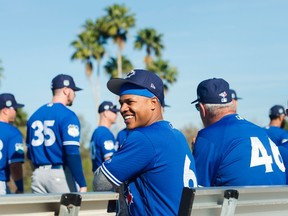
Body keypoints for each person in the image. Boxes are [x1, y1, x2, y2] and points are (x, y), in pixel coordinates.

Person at [93, 69, 197, 215]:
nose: (122, 109)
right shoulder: (176, 134)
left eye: (130, 102)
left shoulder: (144, 137)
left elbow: (100, 183)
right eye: (121, 103)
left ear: (153, 103)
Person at [191, 78, 286, 187]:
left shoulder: (208, 137)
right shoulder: (259, 131)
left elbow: (197, 192)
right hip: (279, 202)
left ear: (203, 109)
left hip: (240, 203)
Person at [26, 74, 87, 193]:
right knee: (69, 211)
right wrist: (82, 183)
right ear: (66, 90)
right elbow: (72, 152)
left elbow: (29, 154)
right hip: (59, 174)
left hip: (37, 175)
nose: (75, 94)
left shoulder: (34, 116)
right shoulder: (67, 115)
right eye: (73, 90)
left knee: (42, 212)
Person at [0, 93, 25, 194]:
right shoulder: (12, 132)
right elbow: (15, 165)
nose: (16, 111)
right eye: (14, 109)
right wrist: (20, 187)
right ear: (5, 110)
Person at [90, 101, 119, 173]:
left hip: (98, 175)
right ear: (106, 113)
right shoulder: (105, 133)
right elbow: (109, 161)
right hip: (106, 178)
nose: (116, 115)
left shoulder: (96, 132)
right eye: (114, 112)